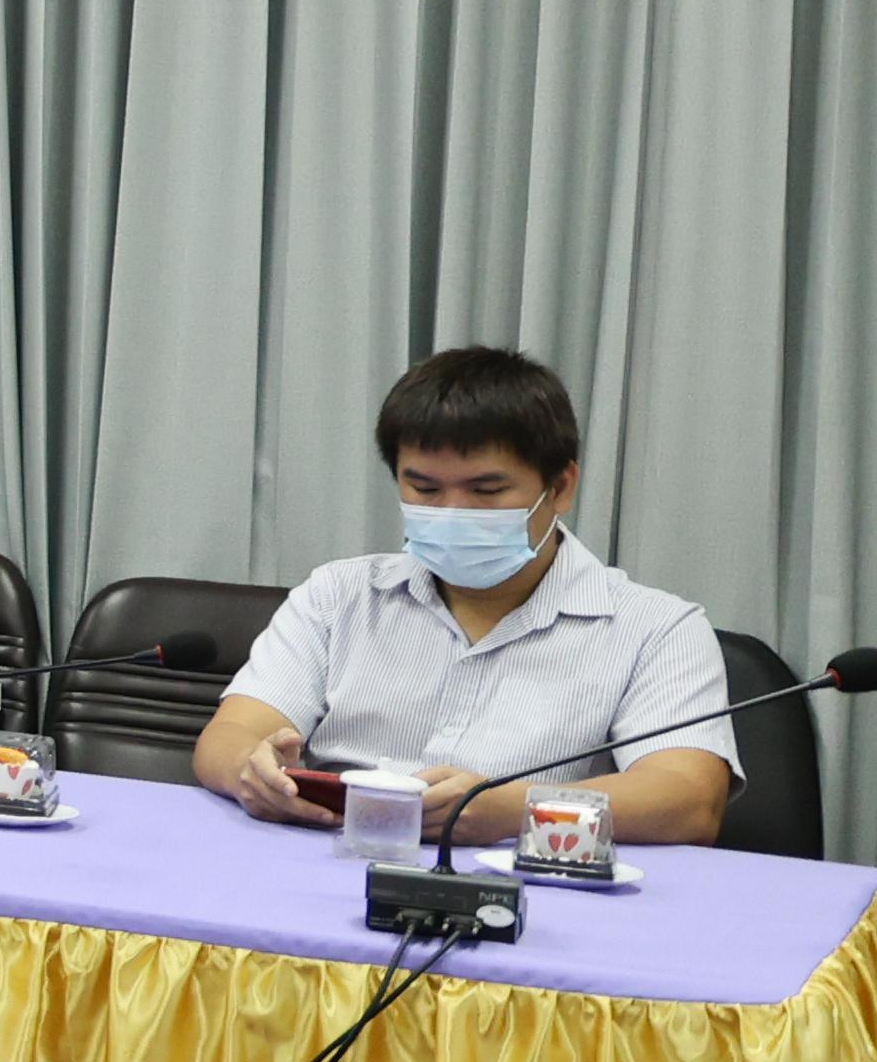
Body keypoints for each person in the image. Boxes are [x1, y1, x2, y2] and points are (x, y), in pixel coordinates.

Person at [200, 347, 740, 847]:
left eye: (486, 491)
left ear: (560, 487)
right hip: (325, 858)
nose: (453, 512)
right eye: (425, 489)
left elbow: (689, 801)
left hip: (524, 888)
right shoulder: (338, 596)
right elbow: (230, 734)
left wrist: (513, 810)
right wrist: (251, 771)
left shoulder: (657, 629)